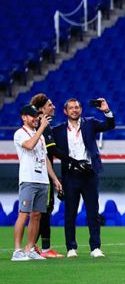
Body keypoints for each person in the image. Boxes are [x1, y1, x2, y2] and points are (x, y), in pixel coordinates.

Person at [52, 97, 115, 258]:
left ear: (81, 110)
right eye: (71, 108)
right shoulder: (58, 130)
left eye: (77, 107)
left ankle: (95, 247)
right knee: (70, 213)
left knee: (93, 212)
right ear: (65, 111)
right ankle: (71, 248)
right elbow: (51, 151)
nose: (74, 110)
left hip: (89, 173)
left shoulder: (90, 123)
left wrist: (106, 111)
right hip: (70, 175)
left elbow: (110, 125)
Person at [11, 105, 62, 262]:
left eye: (37, 116)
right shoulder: (20, 133)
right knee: (23, 214)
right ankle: (17, 250)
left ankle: (31, 248)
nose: (36, 119)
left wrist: (54, 179)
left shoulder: (38, 135)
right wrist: (42, 128)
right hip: (28, 179)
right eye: (33, 116)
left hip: (42, 180)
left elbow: (45, 158)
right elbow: (29, 145)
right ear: (24, 117)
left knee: (37, 215)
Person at [29, 93, 65, 258]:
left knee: (40, 211)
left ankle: (32, 247)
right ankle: (43, 248)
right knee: (44, 210)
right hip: (42, 174)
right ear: (42, 109)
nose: (54, 106)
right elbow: (51, 151)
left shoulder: (35, 125)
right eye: (50, 104)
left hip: (37, 172)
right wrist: (72, 159)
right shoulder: (43, 126)